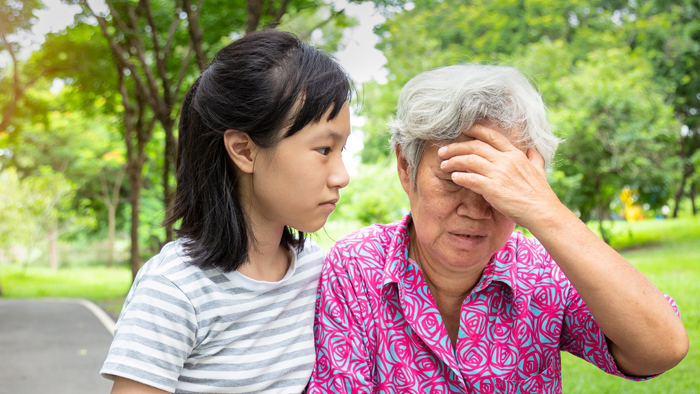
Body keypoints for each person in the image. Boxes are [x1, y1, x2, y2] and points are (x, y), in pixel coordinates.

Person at [309, 65, 688, 393]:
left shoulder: (539, 271)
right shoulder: (358, 267)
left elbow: (662, 348)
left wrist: (546, 211)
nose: (475, 208)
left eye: (500, 185)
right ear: (406, 169)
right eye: (455, 178)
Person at [100, 29, 352, 394]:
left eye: (343, 149)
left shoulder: (322, 273)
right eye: (324, 150)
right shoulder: (175, 290)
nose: (342, 176)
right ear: (244, 151)